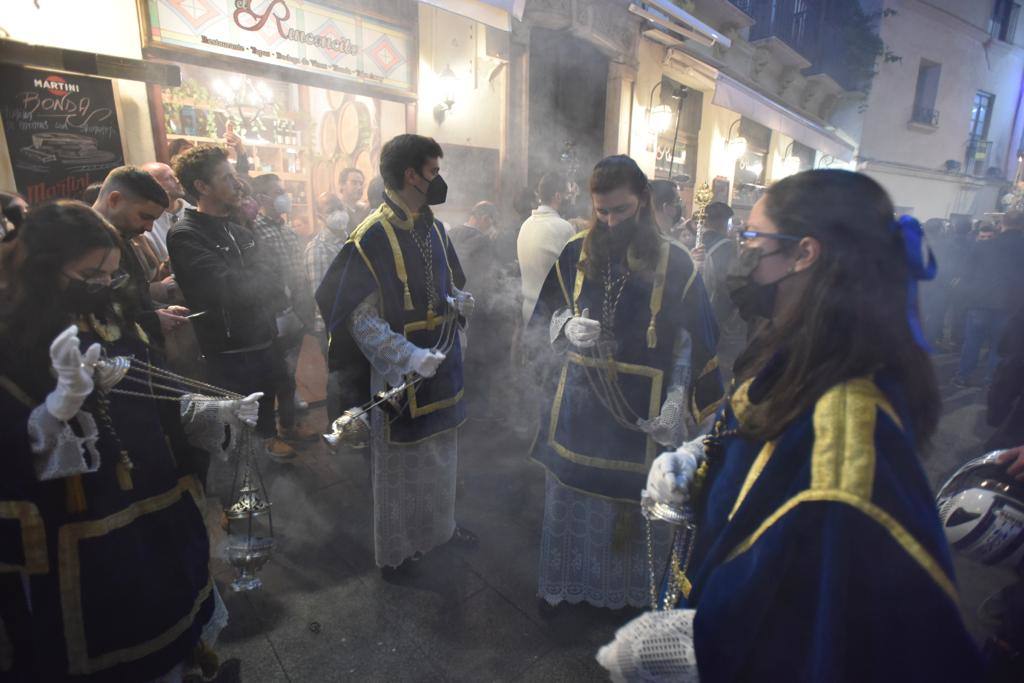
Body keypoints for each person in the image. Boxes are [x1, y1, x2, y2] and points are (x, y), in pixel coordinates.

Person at [599, 170, 982, 681]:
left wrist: (708, 649)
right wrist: (700, 460)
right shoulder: (804, 347)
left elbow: (837, 631)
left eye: (753, 238)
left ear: (804, 254)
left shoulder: (849, 440)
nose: (743, 253)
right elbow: (757, 447)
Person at [0, 200, 256, 680]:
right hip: (83, 523)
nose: (104, 285)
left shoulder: (113, 318)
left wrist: (217, 411)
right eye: (91, 274)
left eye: (111, 273)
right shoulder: (12, 339)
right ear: (45, 269)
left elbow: (161, 392)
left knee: (174, 618)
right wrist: (54, 413)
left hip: (156, 497)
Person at [528, 155, 724, 611]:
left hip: (645, 414)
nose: (611, 222)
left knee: (627, 513)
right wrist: (564, 326)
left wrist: (678, 402)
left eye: (621, 210)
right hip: (580, 404)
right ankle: (572, 593)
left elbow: (692, 344)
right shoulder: (575, 251)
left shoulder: (676, 263)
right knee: (575, 502)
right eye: (602, 211)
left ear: (643, 202)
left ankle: (625, 599)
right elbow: (542, 317)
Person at [316, 134, 478, 573]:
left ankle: (440, 530)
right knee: (402, 464)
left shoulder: (436, 228)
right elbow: (356, 316)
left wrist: (459, 301)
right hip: (400, 373)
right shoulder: (371, 235)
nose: (439, 179)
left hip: (442, 366)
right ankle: (400, 549)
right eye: (434, 171)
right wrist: (405, 355)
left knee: (442, 456)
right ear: (412, 175)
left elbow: (447, 286)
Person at [169, 145, 298, 460]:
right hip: (227, 351)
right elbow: (227, 289)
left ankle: (268, 449)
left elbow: (274, 278)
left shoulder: (238, 229)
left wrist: (257, 281)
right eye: (226, 178)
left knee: (264, 410)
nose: (237, 184)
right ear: (202, 187)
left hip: (262, 337)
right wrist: (256, 281)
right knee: (236, 431)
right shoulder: (186, 234)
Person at [92, 166, 190, 346]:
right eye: (145, 217)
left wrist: (161, 310)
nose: (149, 228)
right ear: (114, 199)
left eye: (153, 219)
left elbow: (135, 298)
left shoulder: (122, 237)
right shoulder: (83, 243)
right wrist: (152, 320)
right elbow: (99, 312)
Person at [251, 173, 316, 428]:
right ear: (261, 198)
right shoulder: (254, 229)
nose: (283, 197)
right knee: (274, 369)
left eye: (283, 192)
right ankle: (276, 425)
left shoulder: (288, 231)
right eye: (277, 192)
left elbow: (299, 270)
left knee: (291, 363)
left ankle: (289, 417)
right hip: (269, 311)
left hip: (294, 308)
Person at [953, 210, 1024, 388]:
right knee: (999, 345)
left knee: (972, 342)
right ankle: (992, 380)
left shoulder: (983, 246)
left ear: (1002, 224)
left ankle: (963, 376)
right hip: (1010, 305)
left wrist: (968, 297)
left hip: (980, 302)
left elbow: (966, 274)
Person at [517, 171, 577, 327]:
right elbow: (574, 274)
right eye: (568, 194)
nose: (571, 199)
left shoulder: (527, 224)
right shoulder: (563, 228)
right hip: (549, 313)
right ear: (558, 196)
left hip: (528, 308)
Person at [691, 201, 737, 328]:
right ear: (723, 222)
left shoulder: (690, 240)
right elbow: (730, 281)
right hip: (717, 312)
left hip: (692, 309)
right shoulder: (729, 246)